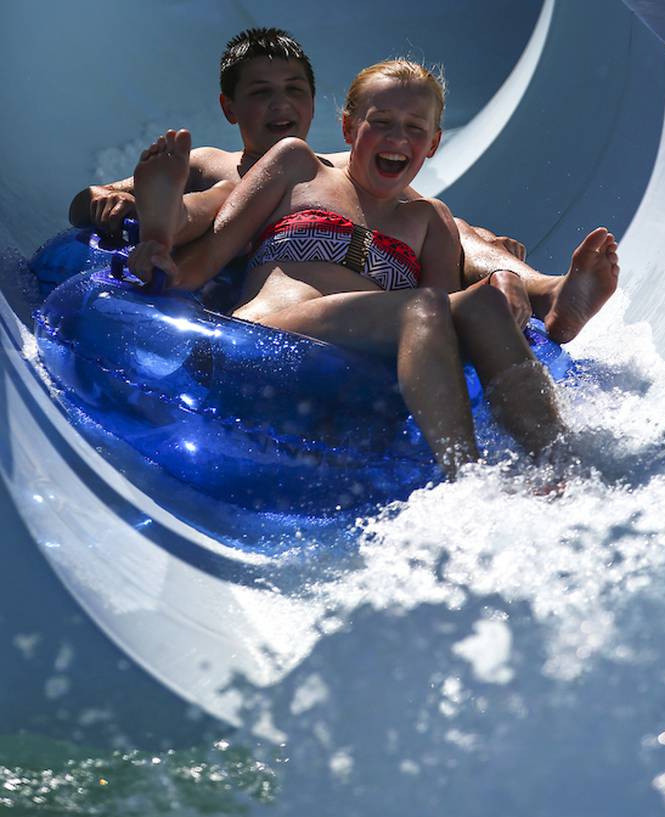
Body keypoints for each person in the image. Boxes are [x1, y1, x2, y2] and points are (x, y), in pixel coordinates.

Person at [128, 61, 562, 479]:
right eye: (383, 122)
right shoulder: (296, 165)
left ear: (432, 143)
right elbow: (210, 255)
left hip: (364, 362)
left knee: (482, 303)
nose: (398, 138)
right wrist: (162, 267)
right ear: (350, 127)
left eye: (415, 128)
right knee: (421, 307)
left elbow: (448, 325)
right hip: (267, 337)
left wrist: (503, 280)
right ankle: (468, 478)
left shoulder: (430, 220)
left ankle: (559, 461)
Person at [69, 27, 619, 343]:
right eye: (261, 93)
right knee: (212, 198)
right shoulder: (214, 157)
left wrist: (487, 244)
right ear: (229, 107)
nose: (280, 104)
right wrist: (106, 202)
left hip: (326, 249)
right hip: (232, 239)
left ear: (316, 104)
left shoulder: (334, 167)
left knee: (435, 213)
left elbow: (426, 224)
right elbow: (86, 200)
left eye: (294, 90)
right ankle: (163, 222)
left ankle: (546, 288)